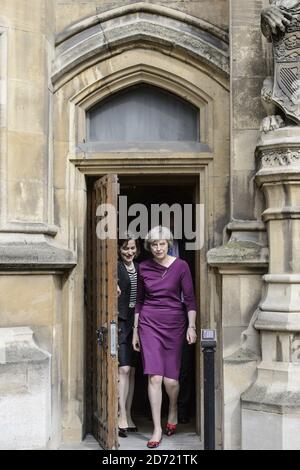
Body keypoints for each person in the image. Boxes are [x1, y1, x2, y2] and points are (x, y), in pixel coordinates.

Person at [133, 226, 197, 449]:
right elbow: (139, 301)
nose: (158, 248)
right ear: (148, 247)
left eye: (162, 244)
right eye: (154, 244)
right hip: (149, 323)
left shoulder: (181, 266)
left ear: (168, 244)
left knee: (171, 381)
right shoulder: (143, 267)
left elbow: (189, 299)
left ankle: (173, 408)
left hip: (175, 324)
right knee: (154, 378)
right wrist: (135, 331)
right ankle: (157, 428)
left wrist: (192, 326)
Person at [117, 236, 139, 438]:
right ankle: (120, 415)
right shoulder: (114, 267)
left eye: (132, 248)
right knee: (123, 369)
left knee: (131, 371)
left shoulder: (139, 269)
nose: (129, 252)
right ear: (119, 249)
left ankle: (129, 415)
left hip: (137, 324)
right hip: (121, 322)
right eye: (125, 248)